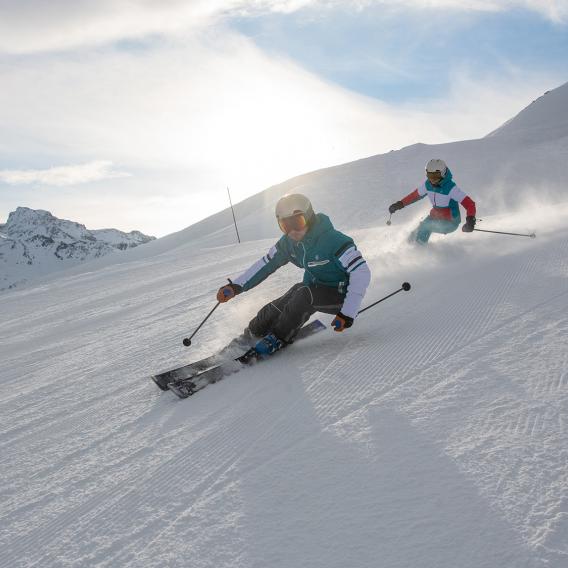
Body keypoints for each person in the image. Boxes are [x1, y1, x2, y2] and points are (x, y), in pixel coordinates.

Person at [215, 193, 371, 357]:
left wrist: (347, 312)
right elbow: (265, 264)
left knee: (304, 295)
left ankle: (277, 338)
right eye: (285, 225)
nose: (293, 231)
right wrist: (236, 286)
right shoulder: (288, 243)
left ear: (309, 217)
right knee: (288, 298)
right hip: (313, 289)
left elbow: (361, 273)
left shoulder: (335, 241)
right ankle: (252, 333)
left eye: (297, 222)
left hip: (341, 297)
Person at [388, 159, 476, 244]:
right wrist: (399, 204)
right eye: (430, 176)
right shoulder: (428, 185)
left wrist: (470, 221)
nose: (433, 180)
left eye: (436, 176)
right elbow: (414, 196)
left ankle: (418, 251)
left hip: (450, 222)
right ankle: (406, 249)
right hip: (434, 217)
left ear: (443, 173)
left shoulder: (451, 188)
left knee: (425, 227)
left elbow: (470, 204)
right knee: (414, 233)